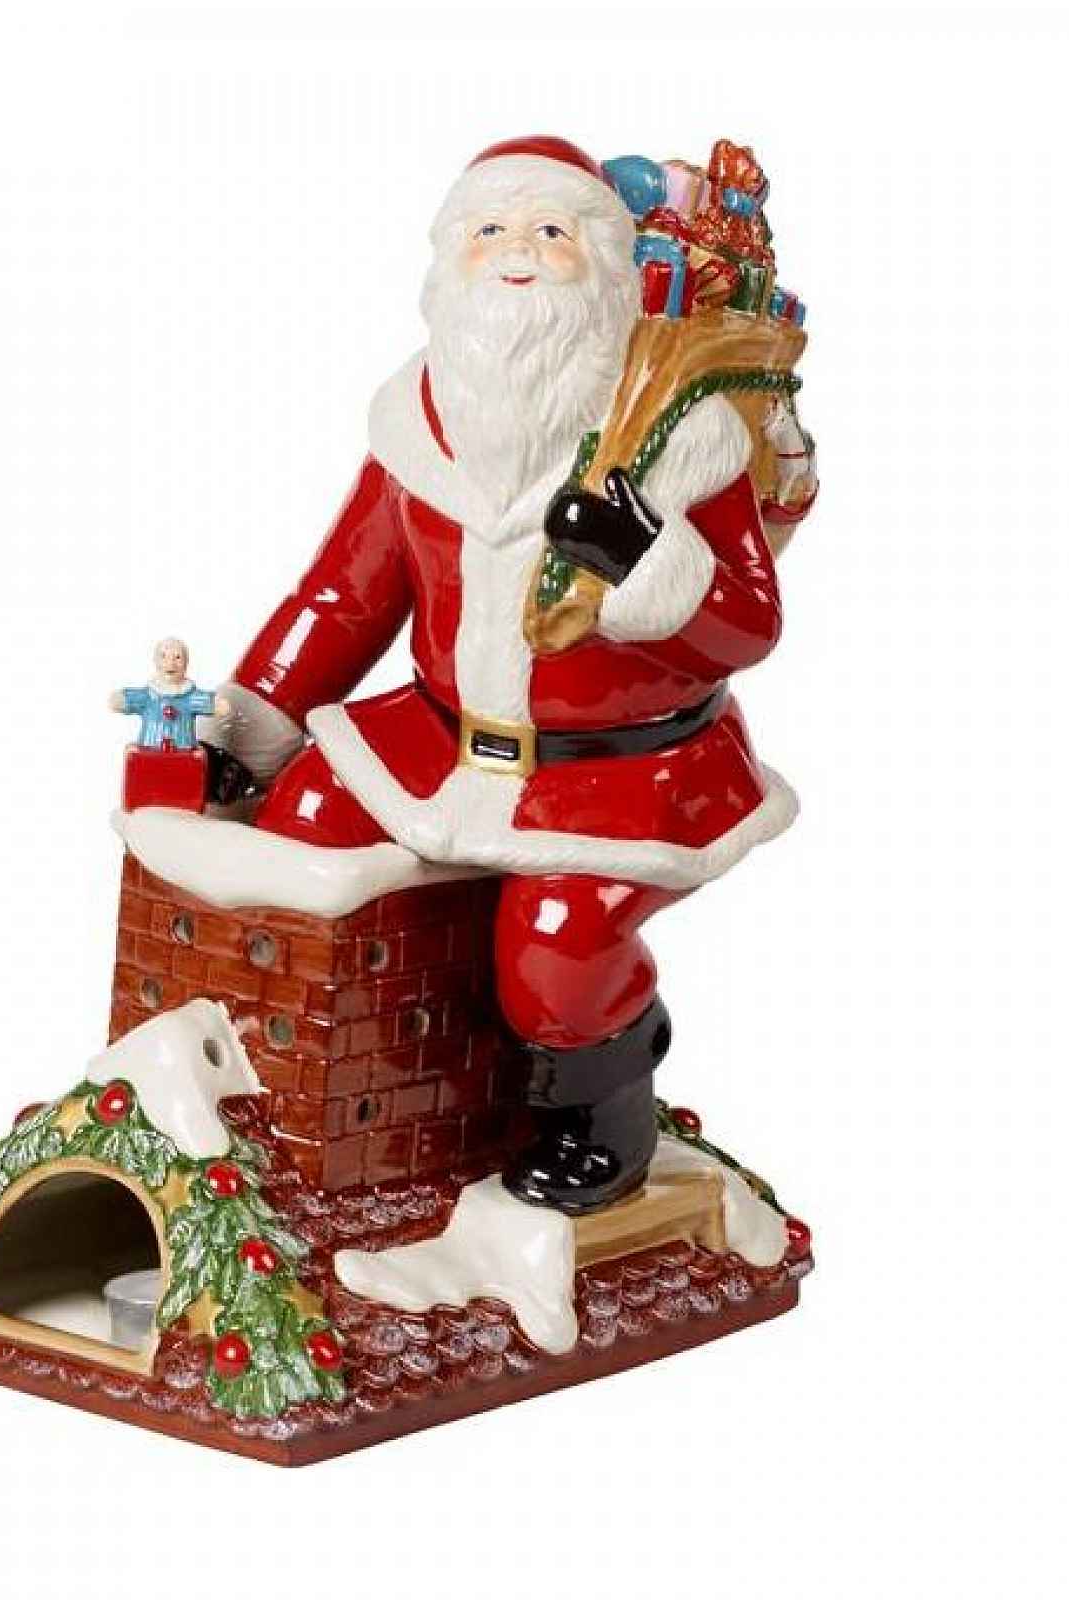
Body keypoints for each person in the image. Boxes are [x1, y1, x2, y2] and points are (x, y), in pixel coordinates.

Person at [207, 137, 798, 1213]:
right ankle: (371, 1077)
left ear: (605, 268)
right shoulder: (418, 421)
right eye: (490, 230)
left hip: (622, 774)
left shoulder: (678, 435)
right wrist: (252, 720)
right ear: (448, 264)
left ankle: (598, 1113)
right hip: (441, 739)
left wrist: (648, 565)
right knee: (303, 822)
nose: (517, 253)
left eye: (550, 232)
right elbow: (344, 597)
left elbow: (750, 625)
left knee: (558, 942)